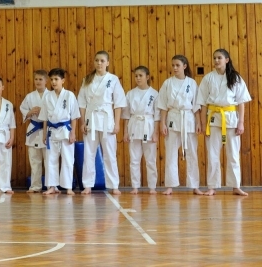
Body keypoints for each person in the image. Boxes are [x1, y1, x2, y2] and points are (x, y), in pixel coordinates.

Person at [197, 48, 252, 196]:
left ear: (226, 60)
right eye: (214, 58)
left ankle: (235, 186)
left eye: (219, 58)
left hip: (231, 119)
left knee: (233, 154)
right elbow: (202, 103)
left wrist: (241, 122)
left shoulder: (236, 78)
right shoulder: (208, 78)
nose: (216, 60)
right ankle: (212, 186)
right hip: (213, 119)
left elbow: (241, 102)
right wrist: (203, 124)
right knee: (212, 154)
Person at [78, 51, 126, 195]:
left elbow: (118, 103)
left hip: (107, 119)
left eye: (102, 61)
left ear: (107, 63)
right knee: (89, 153)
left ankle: (114, 185)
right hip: (91, 118)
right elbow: (81, 103)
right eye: (97, 60)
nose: (99, 63)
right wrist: (82, 122)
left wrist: (117, 123)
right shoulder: (87, 79)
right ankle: (87, 185)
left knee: (110, 154)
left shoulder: (113, 79)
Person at [157, 55, 203, 195]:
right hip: (173, 118)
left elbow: (196, 106)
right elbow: (163, 105)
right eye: (173, 65)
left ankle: (194, 185)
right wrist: (162, 123)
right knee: (170, 153)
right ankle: (170, 186)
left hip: (188, 119)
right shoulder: (167, 83)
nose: (175, 68)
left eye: (177, 65)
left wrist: (199, 122)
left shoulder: (192, 83)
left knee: (192, 153)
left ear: (184, 66)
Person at [39, 68, 79, 196]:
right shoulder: (47, 96)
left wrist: (73, 133)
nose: (53, 82)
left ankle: (68, 187)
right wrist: (44, 134)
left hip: (65, 130)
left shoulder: (69, 95)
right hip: (51, 131)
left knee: (68, 159)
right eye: (51, 79)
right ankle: (52, 186)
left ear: (63, 80)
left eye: (56, 79)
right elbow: (44, 118)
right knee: (50, 160)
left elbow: (74, 116)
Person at [122, 66, 159, 194]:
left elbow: (157, 116)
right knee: (134, 159)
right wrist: (125, 132)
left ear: (147, 77)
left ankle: (152, 186)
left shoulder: (154, 94)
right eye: (136, 76)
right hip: (134, 125)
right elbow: (126, 115)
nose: (138, 78)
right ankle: (135, 186)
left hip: (148, 125)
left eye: (140, 76)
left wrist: (155, 132)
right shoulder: (130, 94)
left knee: (151, 159)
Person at [19, 70, 49, 193]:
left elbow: (56, 113)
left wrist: (43, 111)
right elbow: (23, 110)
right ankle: (35, 186)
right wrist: (29, 112)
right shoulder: (30, 96)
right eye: (36, 79)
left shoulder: (51, 95)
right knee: (34, 160)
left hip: (47, 130)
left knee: (49, 160)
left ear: (46, 81)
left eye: (40, 79)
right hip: (34, 129)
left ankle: (51, 186)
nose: (38, 81)